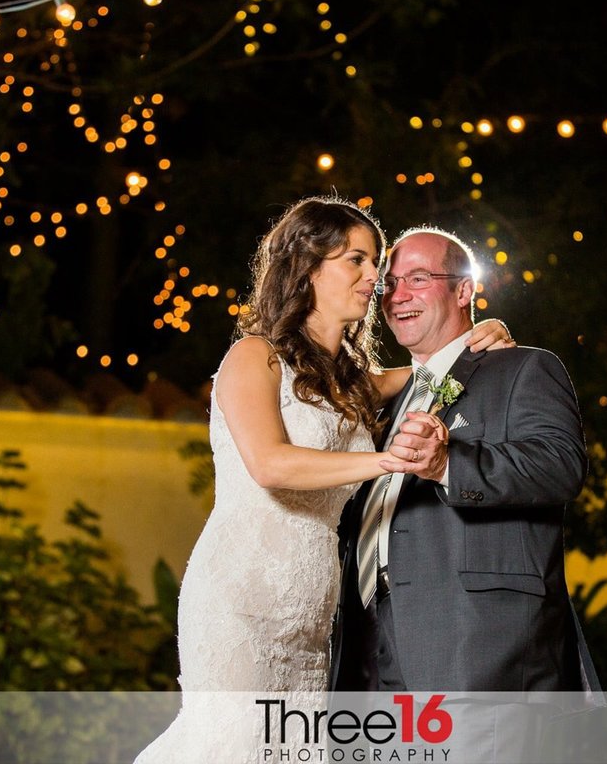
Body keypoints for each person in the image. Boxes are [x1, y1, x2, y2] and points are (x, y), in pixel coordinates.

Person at [134, 199, 512, 763]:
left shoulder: (354, 382)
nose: (373, 279)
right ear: (309, 267)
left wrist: (483, 335)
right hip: (240, 597)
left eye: (375, 265)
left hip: (313, 614)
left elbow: (433, 367)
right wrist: (388, 461)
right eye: (356, 260)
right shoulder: (253, 356)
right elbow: (271, 464)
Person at [330, 226, 601, 757]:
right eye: (390, 283)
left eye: (419, 278)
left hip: (478, 650)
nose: (397, 294)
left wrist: (449, 462)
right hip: (373, 651)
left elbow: (561, 466)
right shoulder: (387, 399)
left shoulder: (522, 367)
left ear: (463, 291)